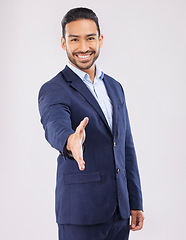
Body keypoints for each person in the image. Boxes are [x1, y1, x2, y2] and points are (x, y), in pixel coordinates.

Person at [38, 7, 144, 240]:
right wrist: (70, 141)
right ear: (64, 43)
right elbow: (54, 123)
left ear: (100, 40)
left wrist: (134, 201)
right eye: (74, 39)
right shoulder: (54, 89)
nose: (83, 47)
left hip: (119, 213)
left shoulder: (115, 87)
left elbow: (126, 145)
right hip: (81, 213)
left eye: (90, 38)